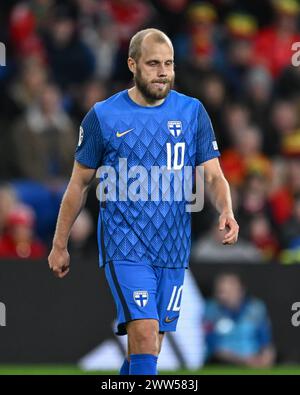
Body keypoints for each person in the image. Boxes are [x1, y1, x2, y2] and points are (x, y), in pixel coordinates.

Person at [48, 28, 239, 375]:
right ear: (132, 64)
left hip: (173, 248)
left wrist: (226, 209)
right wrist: (60, 244)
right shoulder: (103, 117)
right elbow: (78, 185)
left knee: (149, 347)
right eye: (153, 64)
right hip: (125, 245)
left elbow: (213, 175)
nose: (163, 71)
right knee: (146, 334)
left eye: (168, 64)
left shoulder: (193, 112)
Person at [203, 273, 275, 367]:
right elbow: (211, 345)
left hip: (254, 363)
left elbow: (266, 342)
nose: (224, 296)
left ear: (241, 290)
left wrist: (265, 360)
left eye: (230, 291)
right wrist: (244, 361)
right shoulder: (210, 310)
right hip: (221, 364)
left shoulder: (256, 309)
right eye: (221, 291)